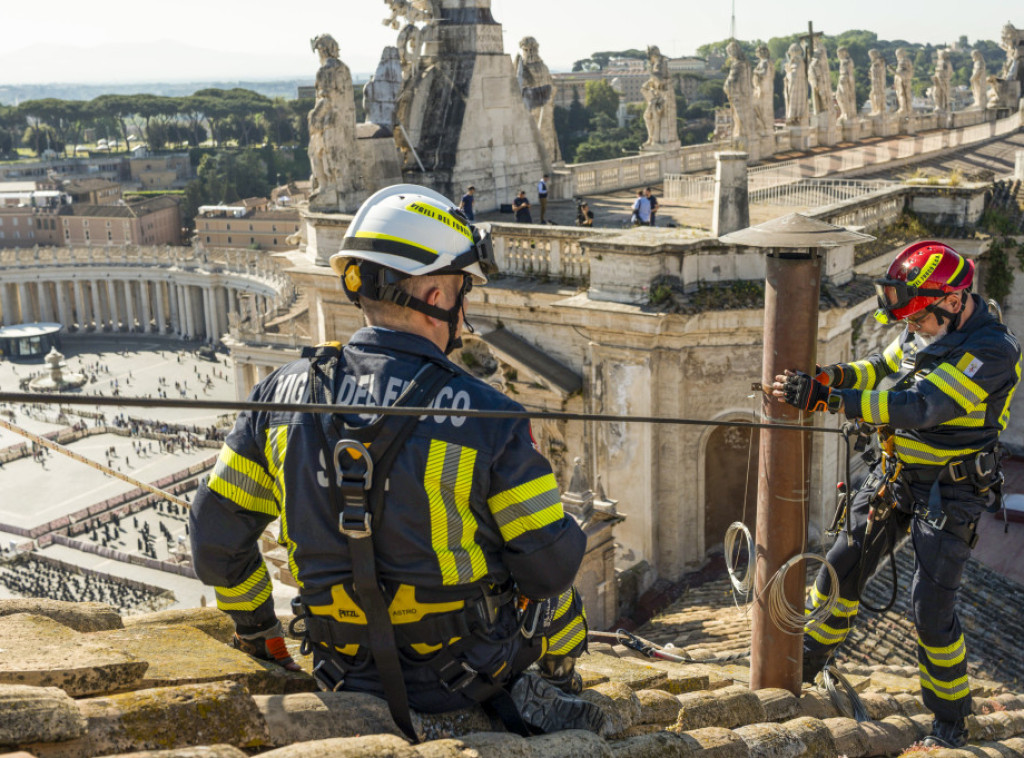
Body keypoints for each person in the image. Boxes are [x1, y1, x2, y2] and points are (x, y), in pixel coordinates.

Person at [189, 184, 601, 741]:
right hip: (467, 678)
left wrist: (262, 633)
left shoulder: (280, 396)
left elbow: (215, 542)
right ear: (435, 297)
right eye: (462, 291)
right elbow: (547, 572)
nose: (464, 308)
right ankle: (561, 687)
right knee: (557, 579)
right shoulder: (490, 416)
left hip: (341, 672)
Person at [772, 241, 1022, 749]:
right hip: (897, 475)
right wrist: (832, 377)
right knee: (838, 570)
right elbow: (881, 368)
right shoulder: (923, 324)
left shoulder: (993, 351)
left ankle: (950, 721)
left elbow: (921, 406)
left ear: (952, 302)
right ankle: (807, 664)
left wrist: (831, 400)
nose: (910, 328)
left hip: (953, 490)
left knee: (930, 609)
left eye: (919, 320)